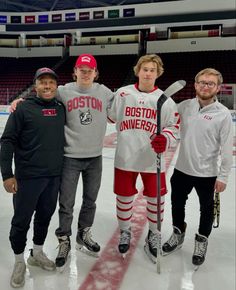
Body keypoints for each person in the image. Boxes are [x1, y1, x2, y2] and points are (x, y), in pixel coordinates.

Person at [108, 54, 180, 262]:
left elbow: (173, 128)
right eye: (145, 69)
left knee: (156, 199)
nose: (148, 73)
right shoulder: (122, 93)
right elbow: (111, 116)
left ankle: (154, 234)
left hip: (152, 160)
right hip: (125, 156)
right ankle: (125, 230)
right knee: (124, 196)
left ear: (158, 73)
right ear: (137, 71)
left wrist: (165, 139)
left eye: (152, 70)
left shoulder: (166, 101)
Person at [0, 67, 65, 288]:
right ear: (35, 86)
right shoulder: (23, 109)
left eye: (51, 83)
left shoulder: (60, 108)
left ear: (56, 86)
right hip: (27, 178)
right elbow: (7, 141)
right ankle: (19, 261)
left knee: (45, 217)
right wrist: (7, 175)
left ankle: (36, 253)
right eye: (42, 82)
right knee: (21, 221)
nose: (47, 86)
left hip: (53, 177)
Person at [162, 68, 233, 267]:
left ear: (218, 88)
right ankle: (178, 234)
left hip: (207, 174)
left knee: (206, 210)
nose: (205, 86)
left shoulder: (223, 114)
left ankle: (202, 240)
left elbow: (227, 148)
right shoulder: (184, 106)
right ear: (195, 84)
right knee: (177, 205)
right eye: (201, 82)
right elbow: (169, 123)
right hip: (182, 170)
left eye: (210, 83)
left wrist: (224, 176)